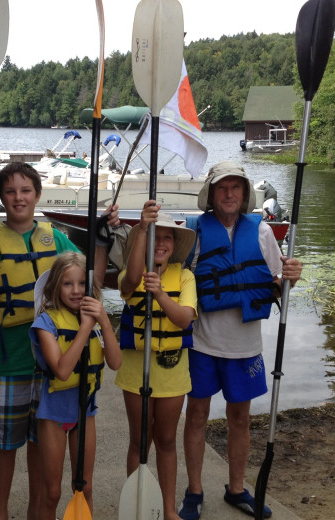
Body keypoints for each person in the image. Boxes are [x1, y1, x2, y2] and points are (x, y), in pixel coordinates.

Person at [0, 161, 118, 520]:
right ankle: (1, 512)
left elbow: (83, 275)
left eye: (25, 191)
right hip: (10, 361)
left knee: (37, 444)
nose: (18, 198)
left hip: (49, 366)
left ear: (37, 195)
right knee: (5, 443)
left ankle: (34, 512)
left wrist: (102, 233)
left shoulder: (55, 238)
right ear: (1, 196)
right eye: (10, 191)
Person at [178, 161, 303, 520]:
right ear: (212, 195)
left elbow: (276, 285)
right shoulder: (195, 231)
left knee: (241, 418)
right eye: (222, 188)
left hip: (245, 346)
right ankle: (195, 491)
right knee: (197, 415)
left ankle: (236, 489)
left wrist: (290, 277)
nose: (230, 194)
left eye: (236, 187)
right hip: (202, 342)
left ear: (245, 194)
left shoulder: (261, 231)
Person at [116, 200, 197, 520]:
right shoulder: (131, 273)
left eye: (167, 237)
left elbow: (184, 321)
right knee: (140, 440)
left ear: (175, 245)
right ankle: (137, 504)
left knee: (165, 439)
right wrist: (143, 228)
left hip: (172, 370)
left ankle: (166, 508)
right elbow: (129, 281)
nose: (160, 243)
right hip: (137, 370)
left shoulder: (186, 277)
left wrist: (161, 294)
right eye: (154, 236)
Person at [29, 252, 122, 519]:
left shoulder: (96, 322)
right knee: (52, 492)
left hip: (85, 411)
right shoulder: (46, 322)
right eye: (68, 284)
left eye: (82, 283)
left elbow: (115, 363)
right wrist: (85, 328)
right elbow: (61, 370)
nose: (76, 290)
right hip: (54, 415)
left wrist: (103, 321)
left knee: (84, 486)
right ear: (55, 286)